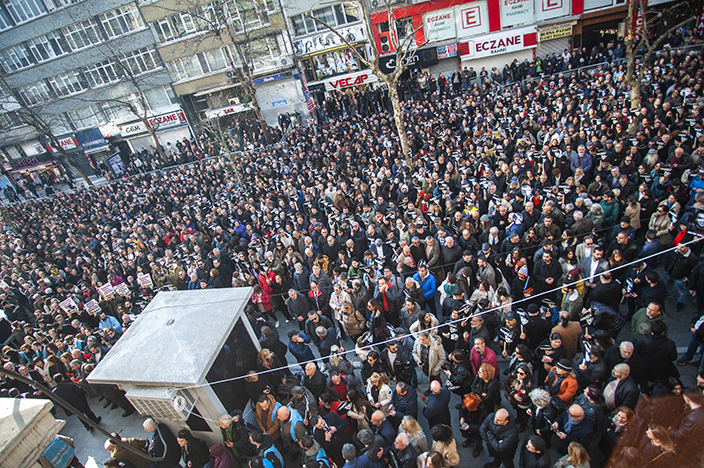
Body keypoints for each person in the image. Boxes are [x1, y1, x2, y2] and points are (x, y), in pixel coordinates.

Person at [458, 392, 487, 456]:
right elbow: (461, 409)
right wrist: (462, 417)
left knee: (478, 439)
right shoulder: (467, 402)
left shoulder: (482, 412)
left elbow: (481, 426)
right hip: (468, 423)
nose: (468, 409)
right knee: (467, 434)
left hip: (475, 429)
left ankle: (478, 447)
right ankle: (470, 440)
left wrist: (470, 427)